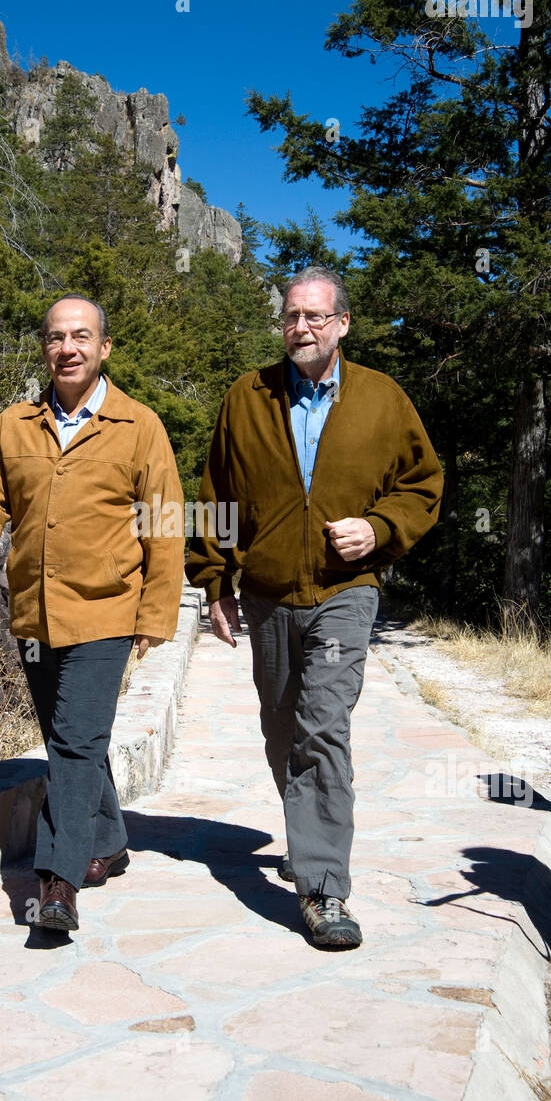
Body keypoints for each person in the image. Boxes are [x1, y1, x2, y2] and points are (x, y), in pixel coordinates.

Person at [186, 266, 443, 948]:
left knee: (321, 725)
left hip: (344, 590)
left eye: (315, 317)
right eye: (292, 317)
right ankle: (308, 828)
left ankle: (323, 889)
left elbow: (422, 485)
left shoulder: (383, 401)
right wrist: (215, 583)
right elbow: (215, 494)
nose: (301, 328)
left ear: (342, 326)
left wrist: (379, 529)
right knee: (281, 728)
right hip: (267, 593)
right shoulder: (247, 397)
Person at [0, 293, 184, 933]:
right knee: (68, 737)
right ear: (45, 348)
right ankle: (108, 839)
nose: (67, 348)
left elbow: (163, 526)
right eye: (55, 337)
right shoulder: (15, 424)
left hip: (107, 612)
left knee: (75, 743)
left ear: (104, 348)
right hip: (35, 614)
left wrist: (156, 615)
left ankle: (59, 881)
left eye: (81, 337)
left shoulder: (140, 426)